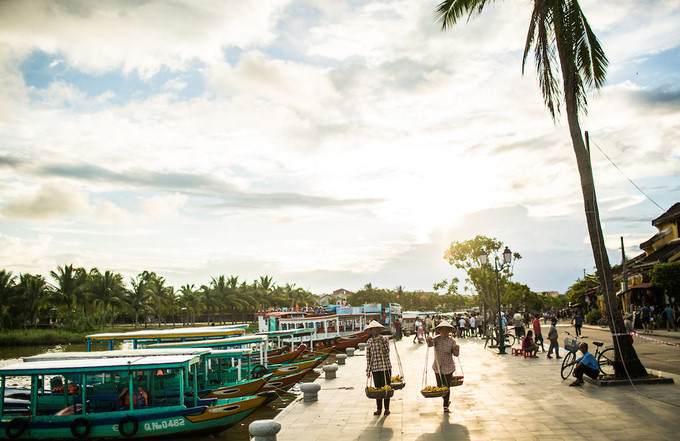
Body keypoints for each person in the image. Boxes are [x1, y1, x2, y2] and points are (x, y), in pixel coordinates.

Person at [426, 320, 460, 413]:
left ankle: (445, 406)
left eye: (446, 331)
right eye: (442, 330)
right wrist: (428, 339)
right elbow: (429, 345)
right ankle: (445, 399)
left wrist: (456, 349)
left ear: (449, 331)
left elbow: (456, 354)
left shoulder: (452, 341)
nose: (444, 332)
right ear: (439, 331)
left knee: (446, 386)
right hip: (438, 366)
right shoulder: (436, 339)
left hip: (448, 366)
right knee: (440, 386)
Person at [365, 320, 392, 416]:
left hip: (385, 367)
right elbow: (368, 356)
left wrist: (381, 342)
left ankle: (387, 408)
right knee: (378, 389)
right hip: (375, 368)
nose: (374, 331)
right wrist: (368, 369)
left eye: (376, 329)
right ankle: (379, 408)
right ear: (371, 331)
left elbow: (386, 351)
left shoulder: (384, 340)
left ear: (379, 330)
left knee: (386, 388)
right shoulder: (369, 342)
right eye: (372, 329)